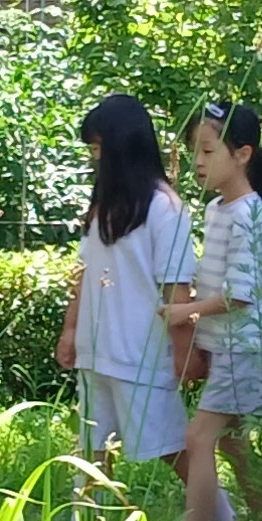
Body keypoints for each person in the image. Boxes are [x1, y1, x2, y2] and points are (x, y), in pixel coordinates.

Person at [145, 102, 262, 521]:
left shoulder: (247, 213)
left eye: (207, 149)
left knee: (199, 438)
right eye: (193, 151)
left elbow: (240, 295)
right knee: (233, 445)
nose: (198, 161)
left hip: (245, 347)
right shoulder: (217, 209)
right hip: (227, 346)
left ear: (242, 154)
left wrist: (186, 313)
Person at [55, 94, 195, 482]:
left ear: (121, 149)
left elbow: (176, 293)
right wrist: (71, 331)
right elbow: (84, 275)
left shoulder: (166, 209)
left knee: (172, 447)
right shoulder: (104, 209)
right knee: (92, 446)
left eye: (99, 149)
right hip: (96, 351)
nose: (94, 159)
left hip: (141, 356)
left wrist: (184, 355)